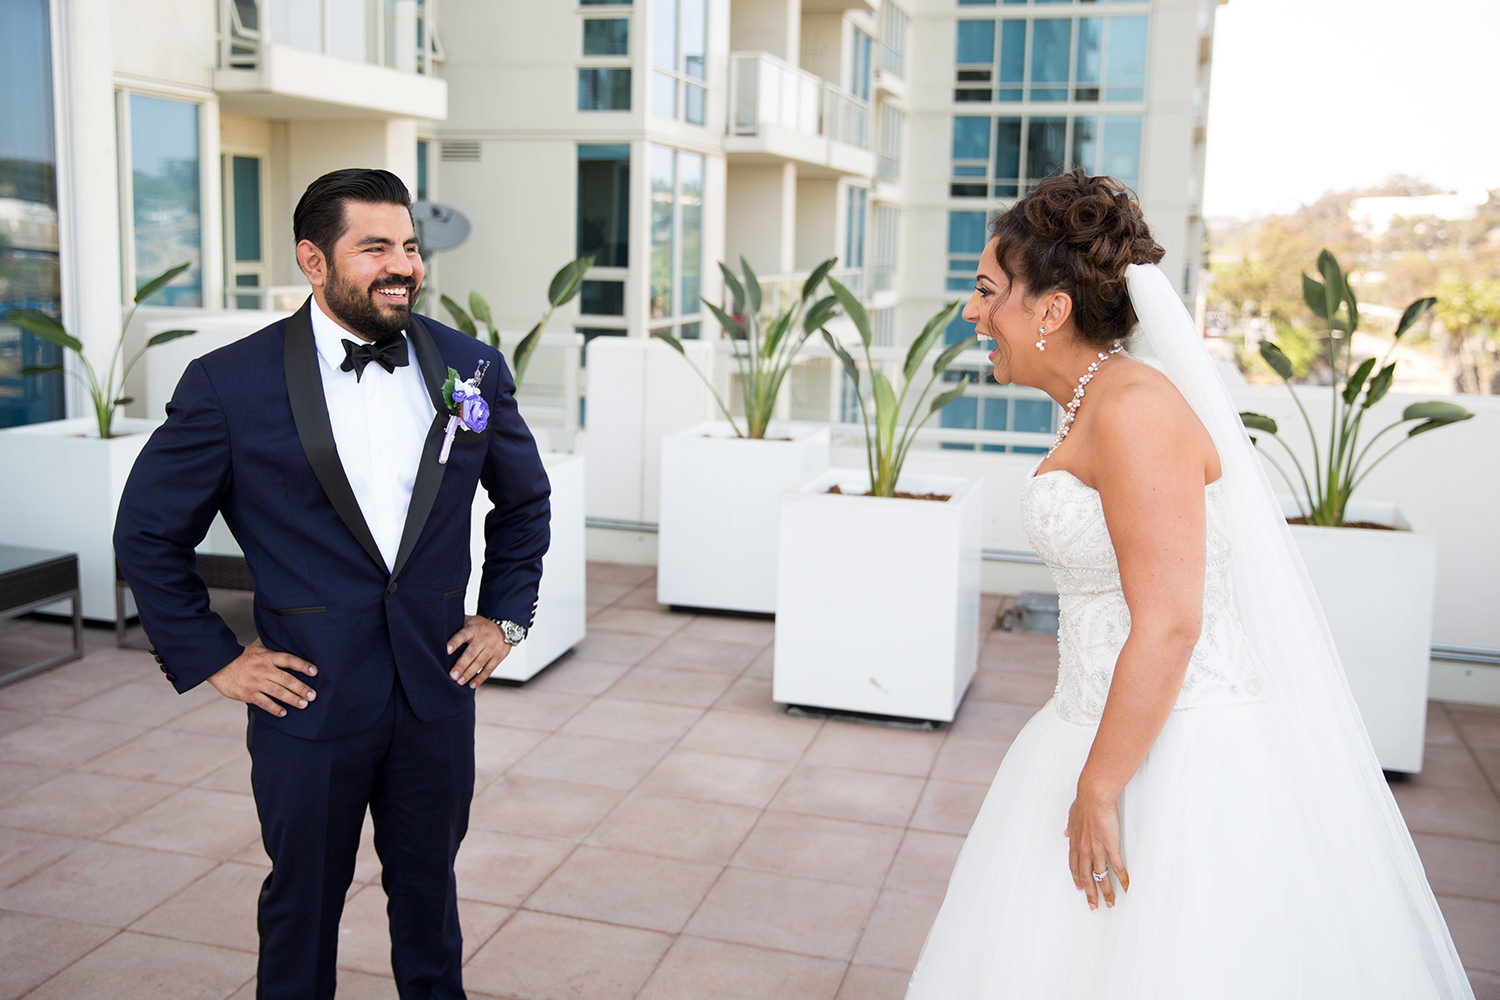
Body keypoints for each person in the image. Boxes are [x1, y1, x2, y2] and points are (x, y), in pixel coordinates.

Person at [905, 170, 1474, 999]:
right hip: (1097, 721)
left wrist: (1099, 788)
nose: (972, 311)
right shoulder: (1095, 402)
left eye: (989, 291)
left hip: (1181, 758)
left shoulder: (1134, 409)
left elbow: (1172, 620)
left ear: (1051, 309)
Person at [114, 167, 550, 999]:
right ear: (314, 261)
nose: (404, 265)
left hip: (434, 695)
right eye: (376, 247)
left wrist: (505, 619)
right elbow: (146, 531)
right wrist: (215, 658)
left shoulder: (471, 369)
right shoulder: (228, 384)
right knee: (301, 906)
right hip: (307, 705)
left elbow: (524, 501)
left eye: (411, 247)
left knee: (430, 900)